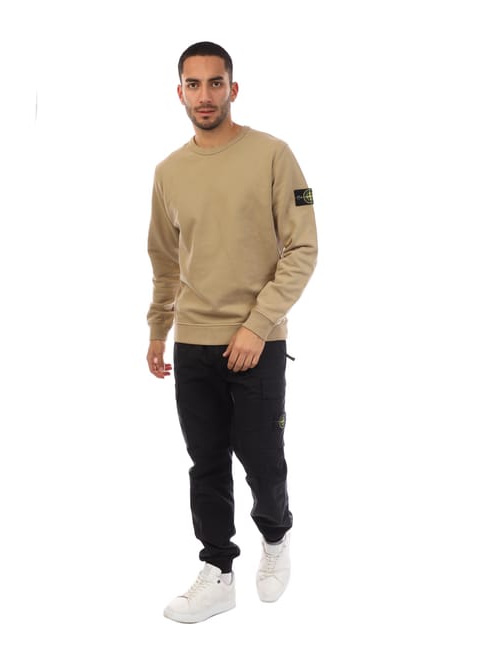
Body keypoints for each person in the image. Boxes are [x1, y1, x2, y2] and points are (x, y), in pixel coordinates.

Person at [145, 41, 318, 624]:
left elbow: (302, 248)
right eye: (193, 85)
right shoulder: (168, 172)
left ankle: (276, 536)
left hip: (257, 342)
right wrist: (158, 328)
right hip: (193, 341)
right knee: (207, 464)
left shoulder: (273, 155)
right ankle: (218, 570)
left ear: (233, 89)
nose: (204, 95)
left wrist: (257, 326)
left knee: (263, 460)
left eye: (215, 83)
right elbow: (164, 261)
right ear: (179, 93)